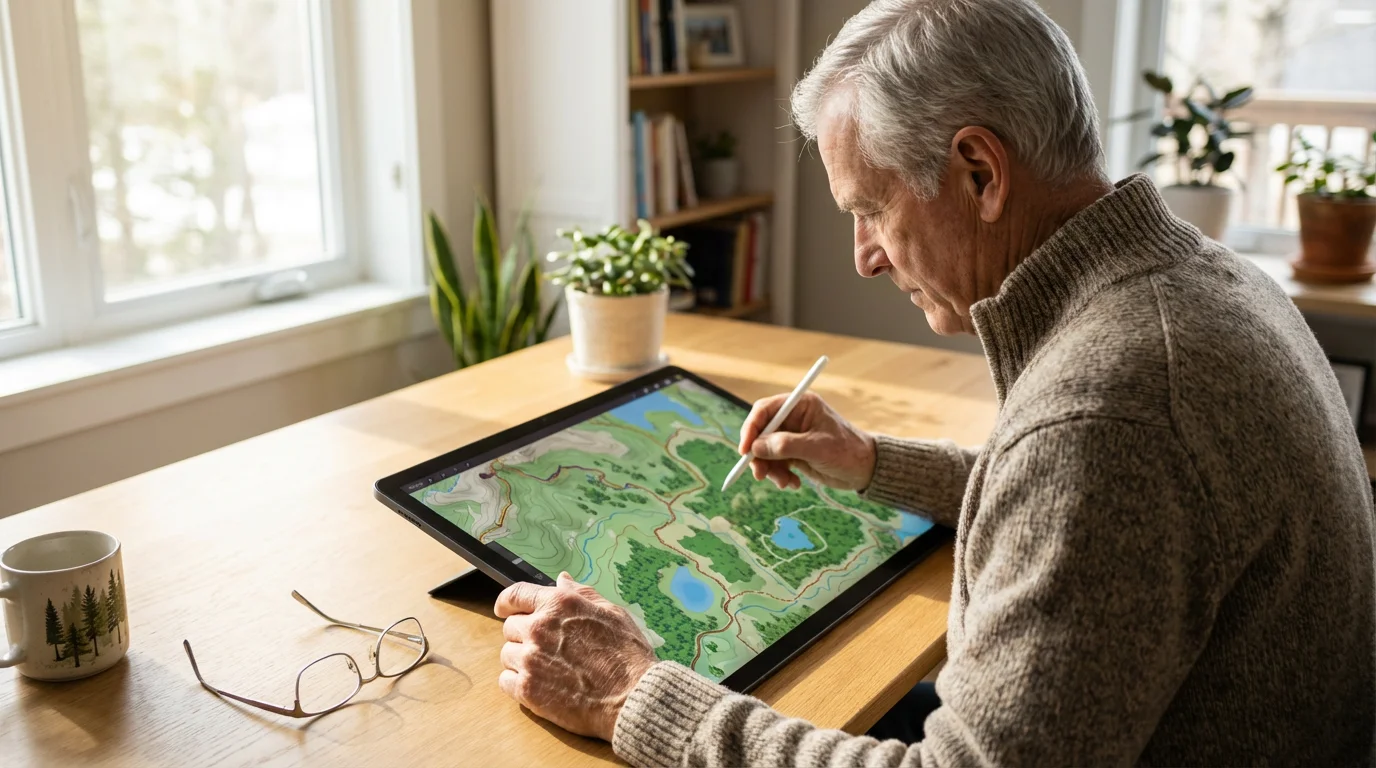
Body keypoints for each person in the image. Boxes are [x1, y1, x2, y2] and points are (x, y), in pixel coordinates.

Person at [492, 0, 1376, 764]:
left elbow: (1085, 471)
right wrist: (870, 461)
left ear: (980, 172)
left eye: (870, 209)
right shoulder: (1201, 282)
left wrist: (633, 695)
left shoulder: (1108, 413)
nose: (865, 257)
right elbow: (1073, 515)